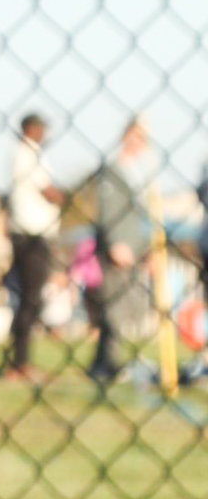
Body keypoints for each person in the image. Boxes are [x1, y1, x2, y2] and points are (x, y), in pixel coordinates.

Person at [90, 116, 156, 384]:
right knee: (115, 307)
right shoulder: (113, 170)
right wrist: (116, 243)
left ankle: (103, 363)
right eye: (137, 136)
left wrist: (148, 250)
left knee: (127, 306)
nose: (140, 143)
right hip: (118, 249)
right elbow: (108, 209)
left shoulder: (141, 172)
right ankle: (108, 364)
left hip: (137, 248)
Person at [3, 110, 60, 379]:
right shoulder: (28, 154)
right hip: (32, 235)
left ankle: (19, 359)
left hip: (28, 233)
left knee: (28, 298)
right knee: (31, 298)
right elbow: (47, 190)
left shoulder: (23, 154)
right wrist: (63, 197)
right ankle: (20, 362)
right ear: (31, 129)